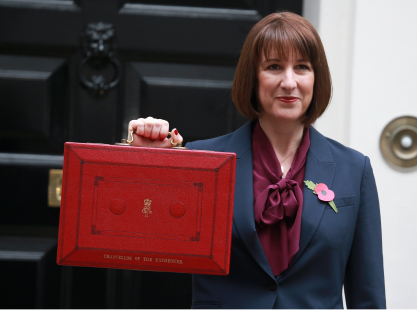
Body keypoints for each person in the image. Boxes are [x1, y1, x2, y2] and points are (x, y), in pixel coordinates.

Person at [128, 12, 385, 309]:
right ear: (253, 77)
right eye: (274, 67)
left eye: (302, 67)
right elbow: (136, 236)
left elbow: (368, 297)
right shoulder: (203, 161)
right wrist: (142, 160)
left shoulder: (354, 169)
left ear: (317, 77)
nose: (289, 82)